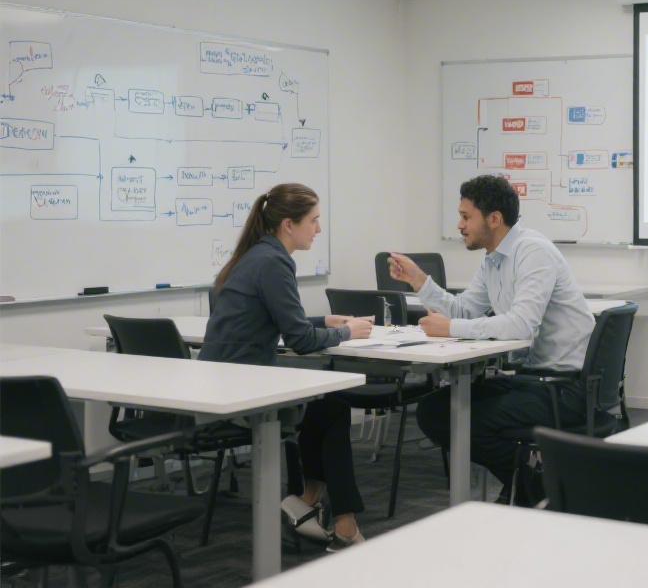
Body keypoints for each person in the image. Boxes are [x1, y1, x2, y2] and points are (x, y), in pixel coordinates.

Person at [388, 175, 594, 505]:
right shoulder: (492, 258)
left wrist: (451, 328)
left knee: (462, 418)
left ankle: (530, 486)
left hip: (566, 388)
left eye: (466, 217)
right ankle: (532, 483)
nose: (459, 225)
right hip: (532, 380)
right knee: (433, 411)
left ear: (494, 219)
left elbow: (521, 326)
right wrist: (419, 280)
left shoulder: (533, 252)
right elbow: (465, 310)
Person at [199, 182, 373, 552]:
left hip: (220, 383)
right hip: (241, 395)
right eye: (314, 221)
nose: (319, 229)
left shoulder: (254, 256)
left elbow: (272, 316)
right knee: (331, 411)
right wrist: (347, 331)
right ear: (288, 225)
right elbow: (300, 342)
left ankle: (314, 504)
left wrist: (322, 319)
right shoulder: (276, 262)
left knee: (325, 410)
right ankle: (333, 518)